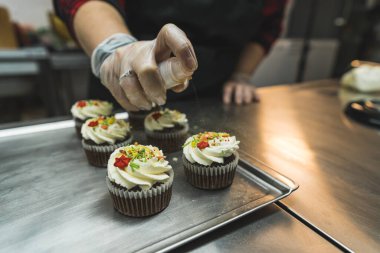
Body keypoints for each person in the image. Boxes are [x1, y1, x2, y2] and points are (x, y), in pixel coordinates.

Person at [54, 0, 287, 111]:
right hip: (125, 84)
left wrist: (241, 74)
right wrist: (117, 46)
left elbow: (268, 26)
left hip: (216, 100)